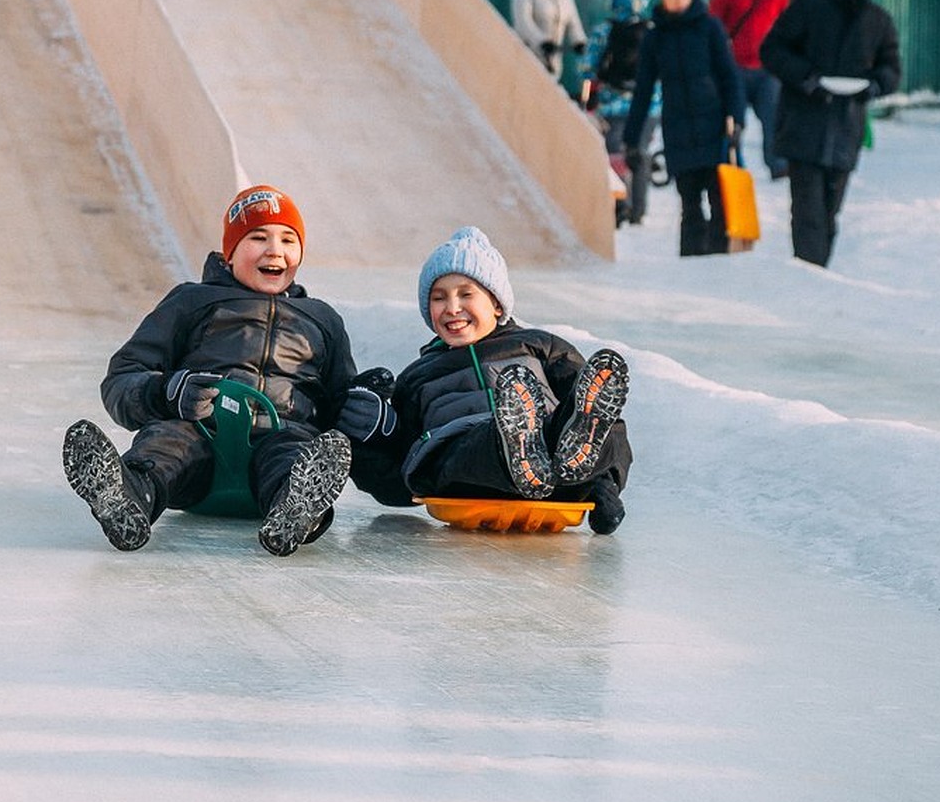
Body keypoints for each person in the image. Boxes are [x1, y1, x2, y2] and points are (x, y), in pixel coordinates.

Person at [62, 185, 357, 557]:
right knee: (169, 442)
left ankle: (298, 509)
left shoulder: (322, 319)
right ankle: (130, 496)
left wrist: (367, 405)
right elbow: (123, 377)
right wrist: (168, 392)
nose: (275, 251)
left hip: (281, 441)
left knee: (294, 453)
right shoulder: (192, 301)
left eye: (288, 239)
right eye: (258, 237)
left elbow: (340, 402)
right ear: (230, 250)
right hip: (200, 443)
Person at [342, 227, 633, 535]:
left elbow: (604, 418)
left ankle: (564, 460)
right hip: (466, 471)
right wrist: (361, 443)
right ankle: (518, 449)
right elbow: (400, 474)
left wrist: (606, 487)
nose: (452, 308)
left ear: (497, 303)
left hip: (553, 467)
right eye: (439, 298)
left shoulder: (539, 346)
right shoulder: (419, 376)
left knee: (583, 419)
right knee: (470, 446)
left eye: (466, 294)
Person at [760, 0, 901, 268]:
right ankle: (809, 273)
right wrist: (806, 77)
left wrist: (872, 86)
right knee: (807, 209)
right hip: (803, 122)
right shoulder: (808, 8)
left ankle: (817, 272)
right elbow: (772, 50)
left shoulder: (878, 20)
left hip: (846, 126)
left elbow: (891, 69)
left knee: (829, 210)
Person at [624, 0, 746, 257]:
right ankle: (692, 262)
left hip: (714, 125)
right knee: (689, 201)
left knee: (719, 200)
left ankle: (719, 260)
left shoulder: (710, 27)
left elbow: (730, 76)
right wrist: (631, 139)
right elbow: (643, 89)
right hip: (678, 128)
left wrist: (737, 119)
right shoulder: (655, 37)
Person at [579, 0, 659, 224]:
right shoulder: (653, 30)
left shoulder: (605, 29)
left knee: (615, 153)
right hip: (648, 104)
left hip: (612, 102)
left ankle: (619, 204)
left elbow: (585, 66)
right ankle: (639, 210)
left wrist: (592, 90)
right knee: (641, 153)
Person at [709, 0, 792, 180]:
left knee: (772, 119)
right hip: (734, 67)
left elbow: (786, 26)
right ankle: (731, 162)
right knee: (732, 120)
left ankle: (778, 164)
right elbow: (714, 24)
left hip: (767, 69)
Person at [510, 0, 588, 81]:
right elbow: (523, 22)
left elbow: (573, 21)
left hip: (554, 61)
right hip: (529, 57)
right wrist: (542, 42)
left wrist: (579, 41)